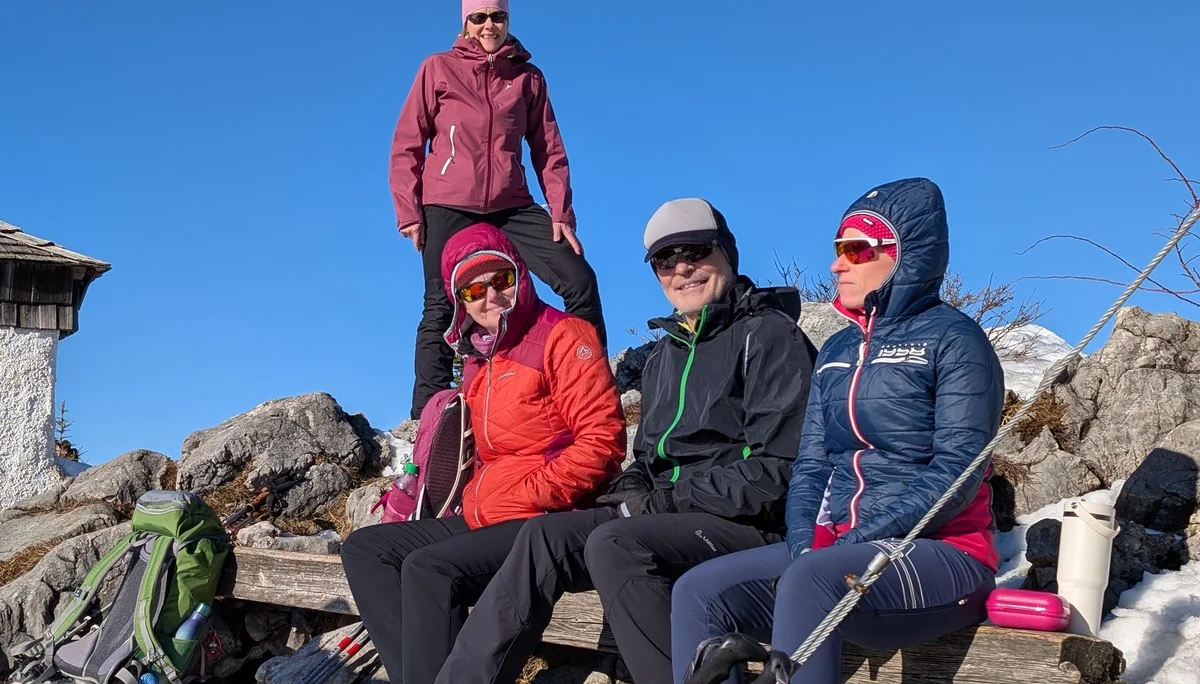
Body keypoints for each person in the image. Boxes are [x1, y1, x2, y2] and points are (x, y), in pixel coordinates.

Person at [433, 198, 819, 684]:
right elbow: (646, 459)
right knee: (543, 538)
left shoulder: (767, 336)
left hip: (746, 526)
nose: (682, 268)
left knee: (617, 543)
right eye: (665, 259)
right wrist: (633, 489)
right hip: (674, 516)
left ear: (727, 252)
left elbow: (780, 470)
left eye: (696, 250)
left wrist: (662, 502)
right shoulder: (665, 355)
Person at [669, 178, 1005, 684]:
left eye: (855, 249)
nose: (836, 264)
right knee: (698, 591)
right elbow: (811, 465)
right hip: (835, 551)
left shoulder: (955, 341)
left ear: (904, 254)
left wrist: (854, 540)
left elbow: (958, 472)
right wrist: (806, 541)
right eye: (836, 249)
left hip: (943, 553)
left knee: (810, 581)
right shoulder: (837, 352)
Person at [341, 223, 626, 684]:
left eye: (502, 280)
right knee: (366, 550)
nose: (490, 295)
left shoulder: (564, 335)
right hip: (486, 512)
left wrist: (531, 495)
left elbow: (603, 442)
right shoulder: (479, 362)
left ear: (521, 277)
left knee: (430, 569)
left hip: (547, 517)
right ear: (461, 301)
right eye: (474, 288)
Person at [391, 0, 607, 420]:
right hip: (448, 204)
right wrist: (409, 212)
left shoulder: (528, 77)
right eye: (479, 17)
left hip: (512, 205)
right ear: (466, 23)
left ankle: (590, 380)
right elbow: (407, 144)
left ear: (508, 20)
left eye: (498, 16)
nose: (489, 25)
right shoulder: (437, 68)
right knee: (441, 304)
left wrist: (561, 213)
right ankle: (428, 418)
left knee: (579, 278)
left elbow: (549, 149)